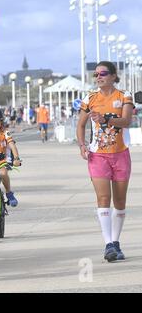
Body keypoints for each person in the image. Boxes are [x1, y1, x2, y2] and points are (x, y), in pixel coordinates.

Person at [76, 61, 134, 262]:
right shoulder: (90, 98)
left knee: (119, 202)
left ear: (113, 76)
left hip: (120, 154)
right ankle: (108, 244)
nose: (98, 77)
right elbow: (81, 125)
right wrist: (82, 145)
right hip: (97, 155)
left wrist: (105, 120)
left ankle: (116, 242)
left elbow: (127, 121)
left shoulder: (124, 96)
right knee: (103, 199)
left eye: (103, 73)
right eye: (96, 74)